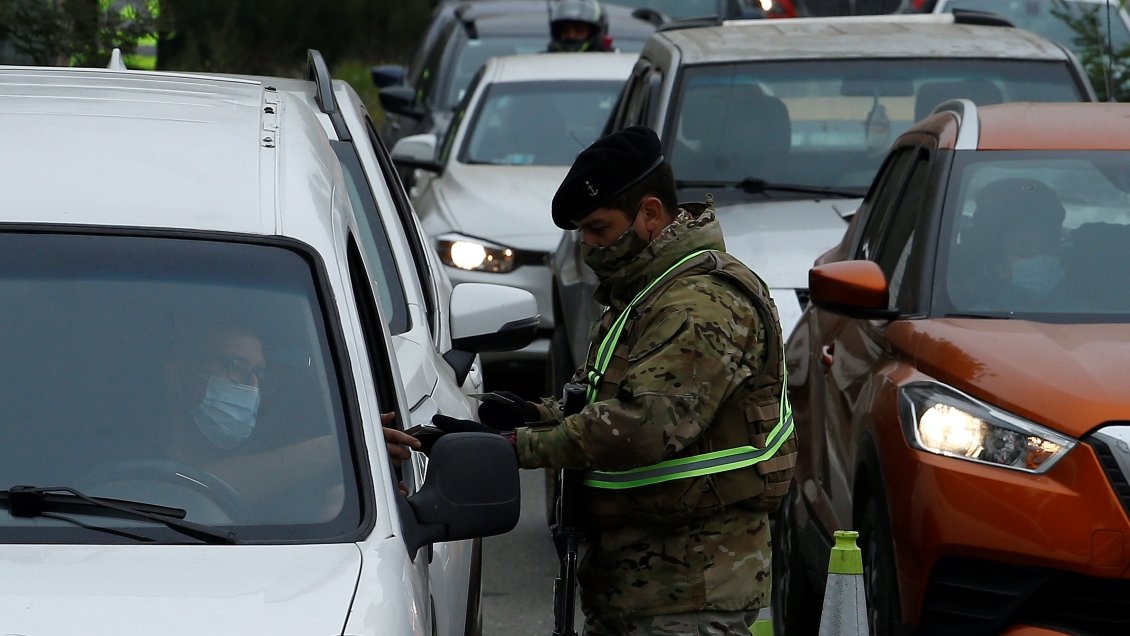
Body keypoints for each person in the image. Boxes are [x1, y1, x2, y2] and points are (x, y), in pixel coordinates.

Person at [428, 126, 796, 635]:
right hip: (640, 585)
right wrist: (529, 414)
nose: (588, 247)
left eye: (599, 229)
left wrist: (516, 447)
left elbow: (643, 426)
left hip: (689, 589)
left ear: (649, 214)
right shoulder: (646, 293)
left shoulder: (699, 306)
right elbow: (602, 399)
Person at [949, 177, 1067, 310]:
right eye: (1025, 251)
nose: (1041, 261)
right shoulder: (968, 314)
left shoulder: (1087, 309)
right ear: (996, 260)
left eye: (1050, 249)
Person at [547, 0, 611, 53]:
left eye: (579, 30)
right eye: (565, 30)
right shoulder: (544, 62)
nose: (571, 36)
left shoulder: (613, 62)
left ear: (594, 32)